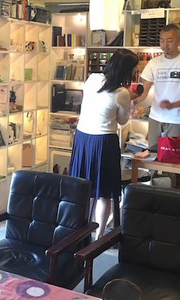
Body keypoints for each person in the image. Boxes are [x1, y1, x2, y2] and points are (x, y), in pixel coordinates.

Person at [69, 49, 139, 239]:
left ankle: (79, 231)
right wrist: (130, 103)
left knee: (84, 188)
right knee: (104, 192)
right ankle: (99, 236)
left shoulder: (92, 78)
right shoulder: (121, 93)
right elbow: (122, 120)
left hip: (83, 138)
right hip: (103, 142)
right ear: (126, 71)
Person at [133, 24, 180, 151]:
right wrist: (134, 101)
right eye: (162, 40)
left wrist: (173, 105)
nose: (165, 45)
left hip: (177, 118)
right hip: (155, 117)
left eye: (169, 40)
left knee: (173, 155)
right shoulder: (153, 63)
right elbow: (144, 91)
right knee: (152, 153)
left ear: (179, 41)